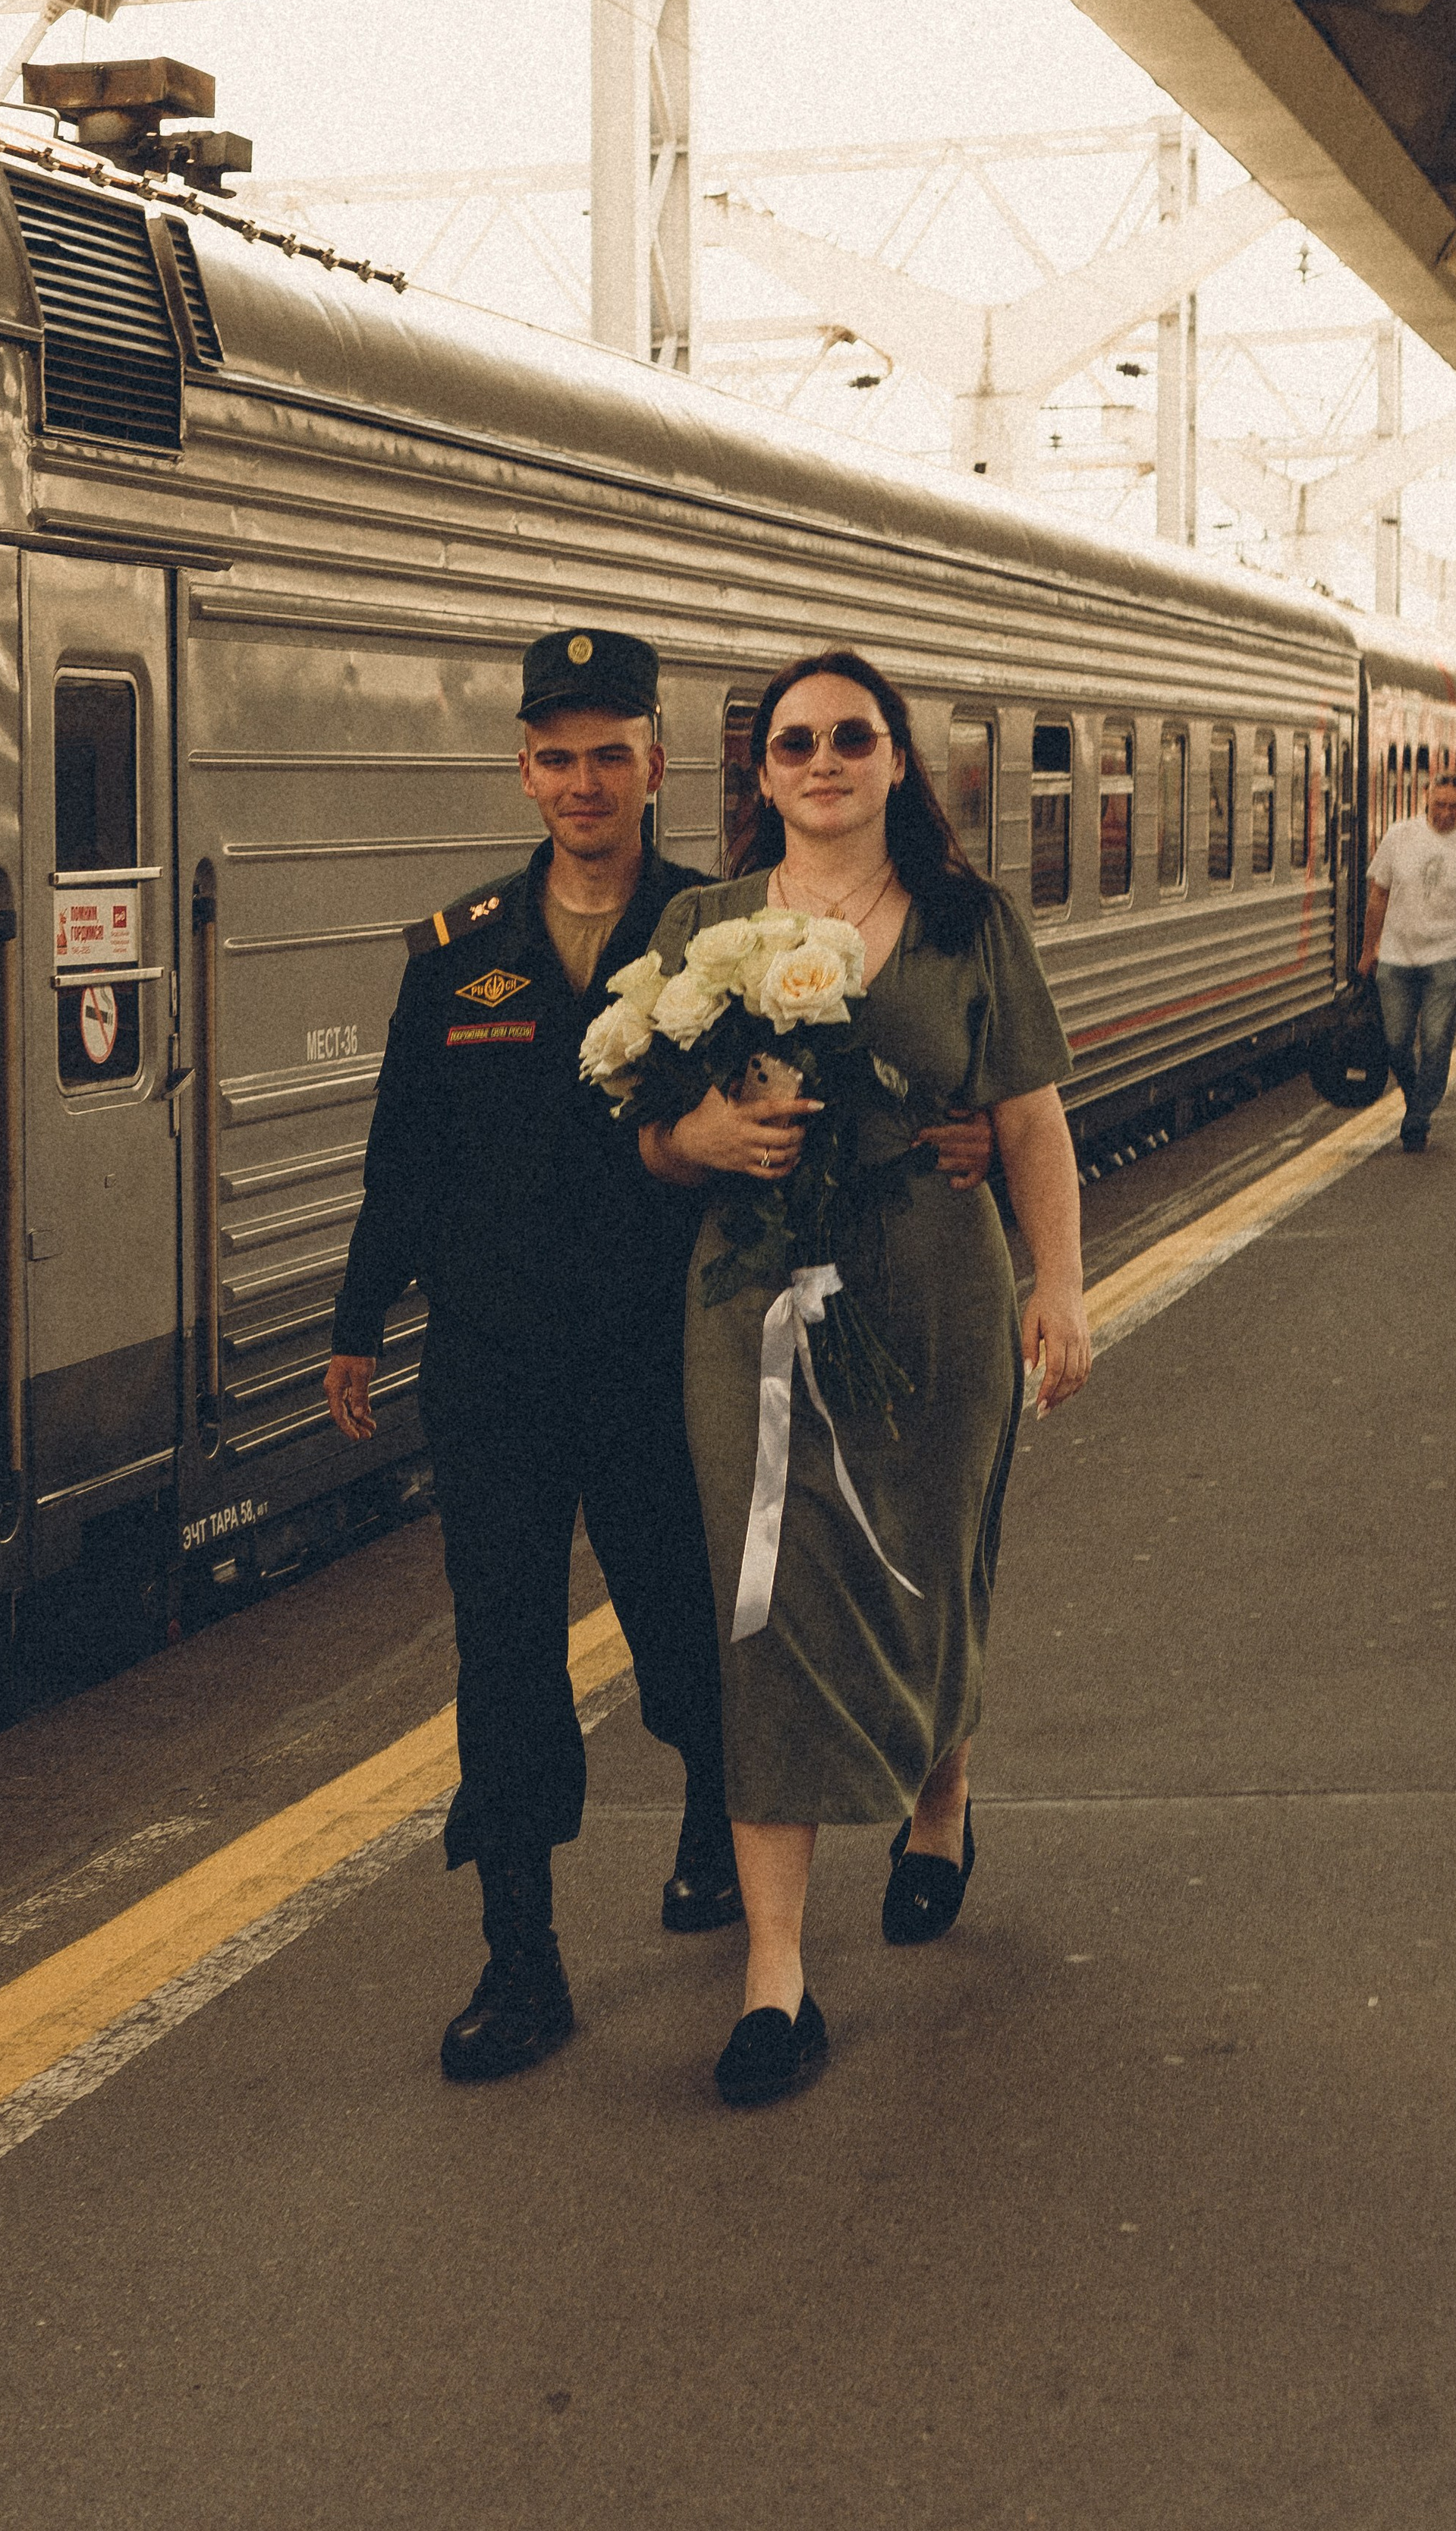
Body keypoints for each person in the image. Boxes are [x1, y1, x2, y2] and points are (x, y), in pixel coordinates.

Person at [325, 624, 997, 2083]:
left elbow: (861, 1085)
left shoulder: (727, 938)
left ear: (657, 765)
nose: (583, 781)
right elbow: (407, 1155)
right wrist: (354, 1321)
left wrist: (968, 1136)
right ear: (524, 772)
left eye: (609, 754)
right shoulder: (458, 958)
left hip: (657, 1357)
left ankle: (712, 1821)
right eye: (556, 757)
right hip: (497, 1370)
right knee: (504, 1664)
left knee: (693, 1643)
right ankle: (521, 1957)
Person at [638, 650, 1090, 2108]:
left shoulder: (969, 925)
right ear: (760, 775)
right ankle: (779, 1976)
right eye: (792, 744)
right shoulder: (705, 926)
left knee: (930, 1559)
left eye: (851, 737)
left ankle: (940, 1795)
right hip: (752, 1299)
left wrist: (1062, 1288)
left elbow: (1029, 1123)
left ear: (901, 761)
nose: (821, 761)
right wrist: (696, 1143)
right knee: (766, 1599)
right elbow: (641, 1127)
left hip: (936, 1287)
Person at [1357, 763, 1456, 1152]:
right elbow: (1378, 896)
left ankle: (1417, 1119)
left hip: (1446, 956)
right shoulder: (1399, 836)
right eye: (1439, 804)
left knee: (1438, 1041)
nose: (1445, 813)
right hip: (1395, 956)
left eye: (1454, 808)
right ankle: (1416, 1100)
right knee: (1396, 1042)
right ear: (1425, 796)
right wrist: (1367, 949)